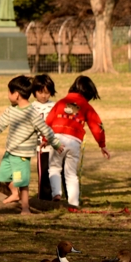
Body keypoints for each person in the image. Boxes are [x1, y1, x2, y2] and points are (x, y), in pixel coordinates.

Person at [0, 76, 63, 215]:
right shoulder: (11, 110)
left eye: (9, 92)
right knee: (3, 176)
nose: (8, 95)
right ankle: (14, 193)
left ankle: (25, 208)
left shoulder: (32, 113)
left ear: (17, 94)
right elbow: (1, 123)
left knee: (22, 182)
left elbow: (45, 129)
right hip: (10, 151)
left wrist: (55, 144)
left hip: (22, 155)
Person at [46, 75, 109, 208]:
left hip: (57, 139)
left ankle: (56, 194)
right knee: (71, 174)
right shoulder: (86, 106)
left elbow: (48, 121)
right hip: (74, 142)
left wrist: (46, 139)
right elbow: (97, 126)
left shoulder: (61, 102)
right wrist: (102, 145)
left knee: (54, 168)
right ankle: (73, 202)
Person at [30, 74, 57, 200]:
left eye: (47, 92)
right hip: (41, 147)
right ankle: (44, 198)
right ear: (34, 92)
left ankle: (56, 195)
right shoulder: (31, 107)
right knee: (44, 172)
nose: (44, 95)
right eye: (41, 92)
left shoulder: (55, 106)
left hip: (55, 146)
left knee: (55, 171)